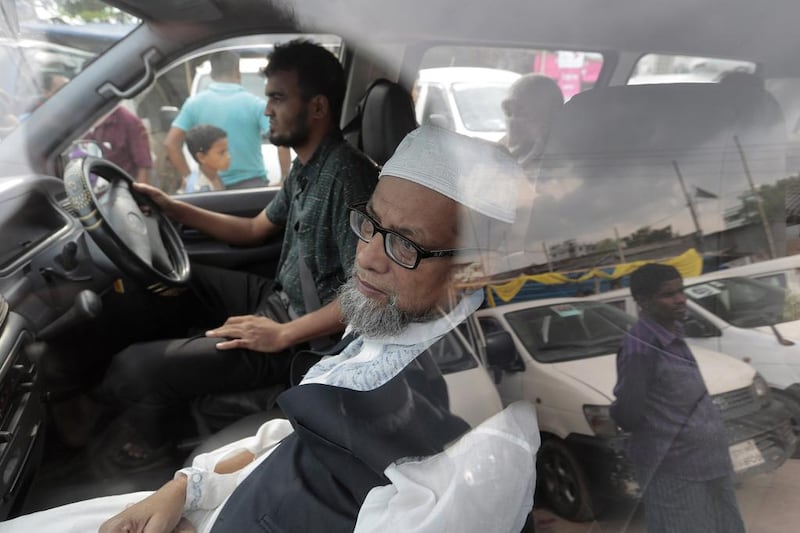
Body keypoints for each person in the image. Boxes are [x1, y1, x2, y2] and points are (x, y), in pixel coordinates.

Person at [0, 125, 538, 533]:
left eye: (405, 243)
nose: (368, 258)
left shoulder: (483, 449)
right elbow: (302, 432)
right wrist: (187, 487)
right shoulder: (402, 321)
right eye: (370, 224)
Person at [94, 39, 379, 468]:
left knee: (134, 368)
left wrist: (280, 334)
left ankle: (149, 451)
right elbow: (252, 230)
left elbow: (366, 292)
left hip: (302, 336)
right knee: (176, 281)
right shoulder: (307, 166)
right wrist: (172, 206)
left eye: (277, 98)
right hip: (280, 296)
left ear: (317, 108)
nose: (266, 110)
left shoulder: (348, 178)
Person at [610, 263, 745, 533]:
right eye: (668, 294)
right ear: (643, 301)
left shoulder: (674, 332)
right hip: (675, 469)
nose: (680, 299)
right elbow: (628, 412)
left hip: (710, 461)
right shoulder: (640, 348)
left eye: (681, 291)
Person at [164, 50, 289, 189]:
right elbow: (282, 140)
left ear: (212, 74)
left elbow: (171, 143)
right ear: (237, 72)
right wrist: (284, 178)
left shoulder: (193, 104)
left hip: (210, 187)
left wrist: (189, 178)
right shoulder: (255, 104)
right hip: (251, 187)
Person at [500, 73, 563, 172]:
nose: (512, 121)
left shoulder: (559, 160)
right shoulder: (503, 147)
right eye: (508, 112)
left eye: (523, 114)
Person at [86, 105, 154, 183]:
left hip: (122, 187)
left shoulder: (128, 121)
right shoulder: (84, 121)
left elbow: (143, 166)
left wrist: (138, 192)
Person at [182, 124, 230, 192]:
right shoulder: (197, 188)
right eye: (221, 153)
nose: (228, 156)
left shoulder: (216, 175)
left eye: (227, 151)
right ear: (201, 157)